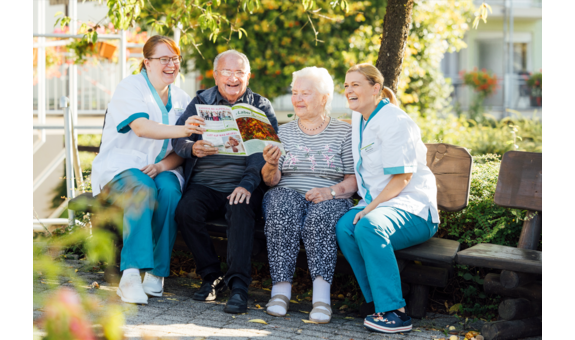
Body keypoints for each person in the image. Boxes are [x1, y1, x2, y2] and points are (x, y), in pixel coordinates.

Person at [91, 35, 197, 305]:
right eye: (164, 59)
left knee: (171, 191)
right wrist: (185, 129)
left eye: (175, 58)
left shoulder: (183, 98)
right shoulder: (131, 87)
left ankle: (156, 274)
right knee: (143, 188)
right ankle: (129, 275)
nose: (171, 64)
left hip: (159, 169)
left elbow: (180, 151)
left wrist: (163, 165)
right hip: (122, 169)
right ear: (147, 63)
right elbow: (141, 126)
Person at [335, 64, 440, 334]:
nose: (349, 91)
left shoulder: (395, 121)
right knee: (345, 228)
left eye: (356, 84)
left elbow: (402, 178)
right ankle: (376, 303)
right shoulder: (360, 117)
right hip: (383, 206)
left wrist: (369, 208)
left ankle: (395, 312)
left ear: (375, 89)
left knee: (368, 226)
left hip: (414, 211)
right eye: (346, 86)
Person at [173, 50, 279, 314]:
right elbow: (178, 138)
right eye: (227, 72)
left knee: (241, 208)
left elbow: (262, 153)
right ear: (216, 75)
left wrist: (247, 184)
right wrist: (192, 148)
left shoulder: (260, 106)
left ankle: (239, 286)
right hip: (205, 184)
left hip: (244, 183)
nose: (233, 78)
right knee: (186, 211)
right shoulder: (200, 101)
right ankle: (211, 277)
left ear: (248, 76)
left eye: (239, 73)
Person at [261, 67, 357, 323]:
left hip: (330, 196)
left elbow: (353, 179)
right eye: (295, 92)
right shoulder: (281, 132)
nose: (298, 98)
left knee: (320, 219)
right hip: (287, 191)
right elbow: (271, 181)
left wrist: (331, 191)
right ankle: (280, 292)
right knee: (280, 204)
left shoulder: (344, 132)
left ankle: (321, 299)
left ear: (325, 98)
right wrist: (270, 164)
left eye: (305, 93)